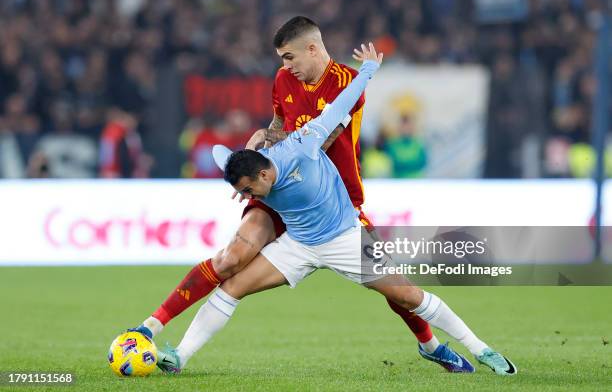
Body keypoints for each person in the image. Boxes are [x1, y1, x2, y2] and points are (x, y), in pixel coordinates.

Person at [156, 44, 517, 376]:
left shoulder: (305, 144)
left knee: (408, 295)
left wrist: (368, 70)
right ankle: (180, 356)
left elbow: (342, 104)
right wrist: (239, 170)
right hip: (298, 245)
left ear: (265, 173)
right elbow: (227, 158)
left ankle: (481, 350)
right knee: (231, 286)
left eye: (250, 190)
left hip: (344, 238)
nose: (250, 197)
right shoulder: (255, 170)